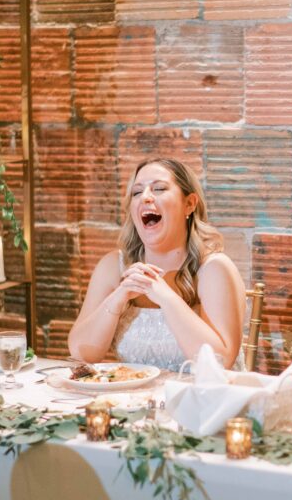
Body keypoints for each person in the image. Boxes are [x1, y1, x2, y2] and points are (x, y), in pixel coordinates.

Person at [68, 158, 246, 371]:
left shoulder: (214, 269)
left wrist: (166, 298)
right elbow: (81, 353)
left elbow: (219, 362)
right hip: (137, 392)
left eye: (159, 189)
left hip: (204, 392)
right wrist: (116, 299)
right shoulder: (113, 266)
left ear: (189, 204)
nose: (145, 197)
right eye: (136, 192)